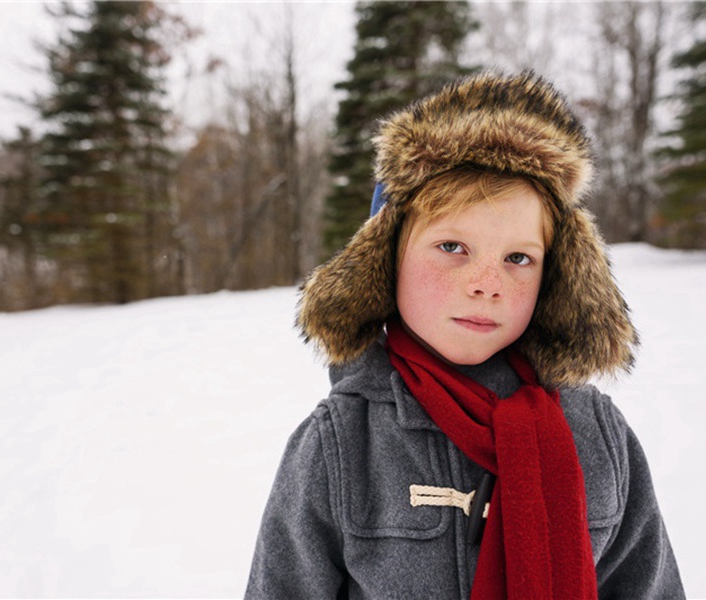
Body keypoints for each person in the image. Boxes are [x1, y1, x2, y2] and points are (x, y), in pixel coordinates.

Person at [245, 72, 685, 599]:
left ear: (557, 276)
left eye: (518, 258)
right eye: (453, 246)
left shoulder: (595, 432)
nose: (487, 285)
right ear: (387, 258)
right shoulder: (341, 444)